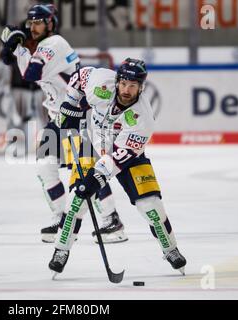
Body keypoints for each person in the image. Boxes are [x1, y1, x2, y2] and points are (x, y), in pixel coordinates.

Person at [0, 3, 127, 244]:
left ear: (50, 24)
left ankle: (112, 220)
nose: (33, 27)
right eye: (31, 22)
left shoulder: (55, 43)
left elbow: (31, 74)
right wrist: (13, 48)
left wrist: (16, 48)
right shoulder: (40, 47)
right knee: (45, 167)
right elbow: (17, 61)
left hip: (78, 115)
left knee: (86, 170)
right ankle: (61, 218)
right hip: (58, 118)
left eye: (38, 22)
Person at [48, 58, 187, 275]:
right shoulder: (101, 82)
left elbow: (118, 158)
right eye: (123, 83)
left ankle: (170, 248)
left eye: (133, 86)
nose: (126, 90)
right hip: (91, 144)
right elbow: (78, 77)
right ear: (118, 80)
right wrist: (69, 105)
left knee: (151, 205)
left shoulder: (143, 119)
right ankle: (61, 249)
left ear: (141, 87)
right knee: (77, 200)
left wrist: (96, 178)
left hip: (126, 157)